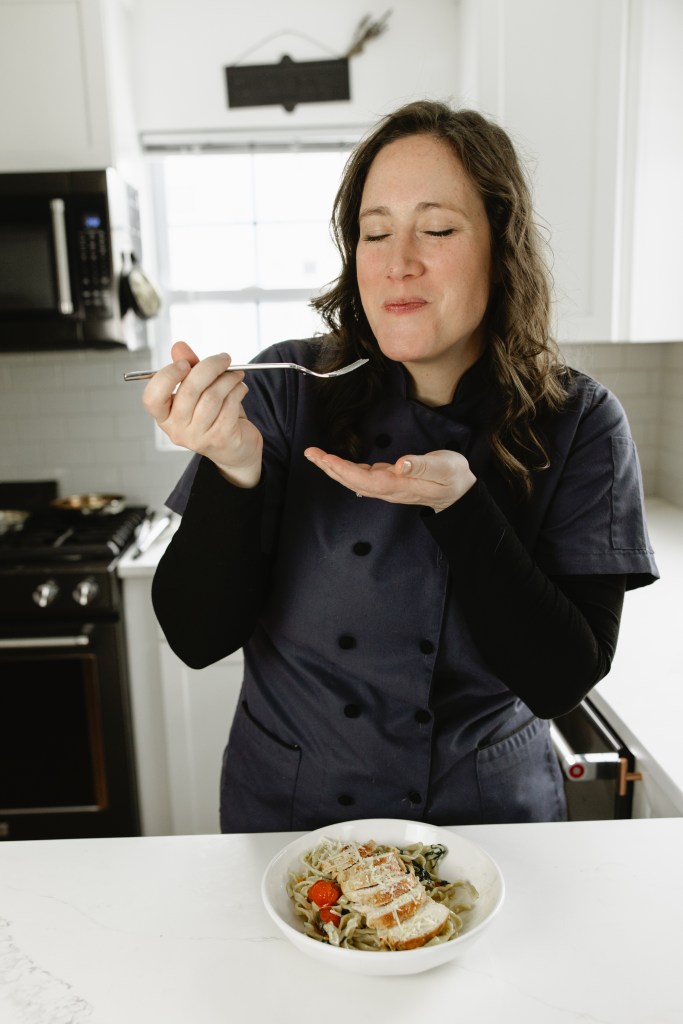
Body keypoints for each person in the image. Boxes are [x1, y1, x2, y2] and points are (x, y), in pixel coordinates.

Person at [143, 100, 658, 833]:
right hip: (294, 822)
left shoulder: (579, 420)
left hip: (487, 831)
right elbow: (196, 639)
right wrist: (232, 471)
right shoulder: (287, 390)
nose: (397, 262)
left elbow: (560, 680)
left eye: (437, 229)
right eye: (375, 232)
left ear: (502, 245)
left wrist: (461, 507)